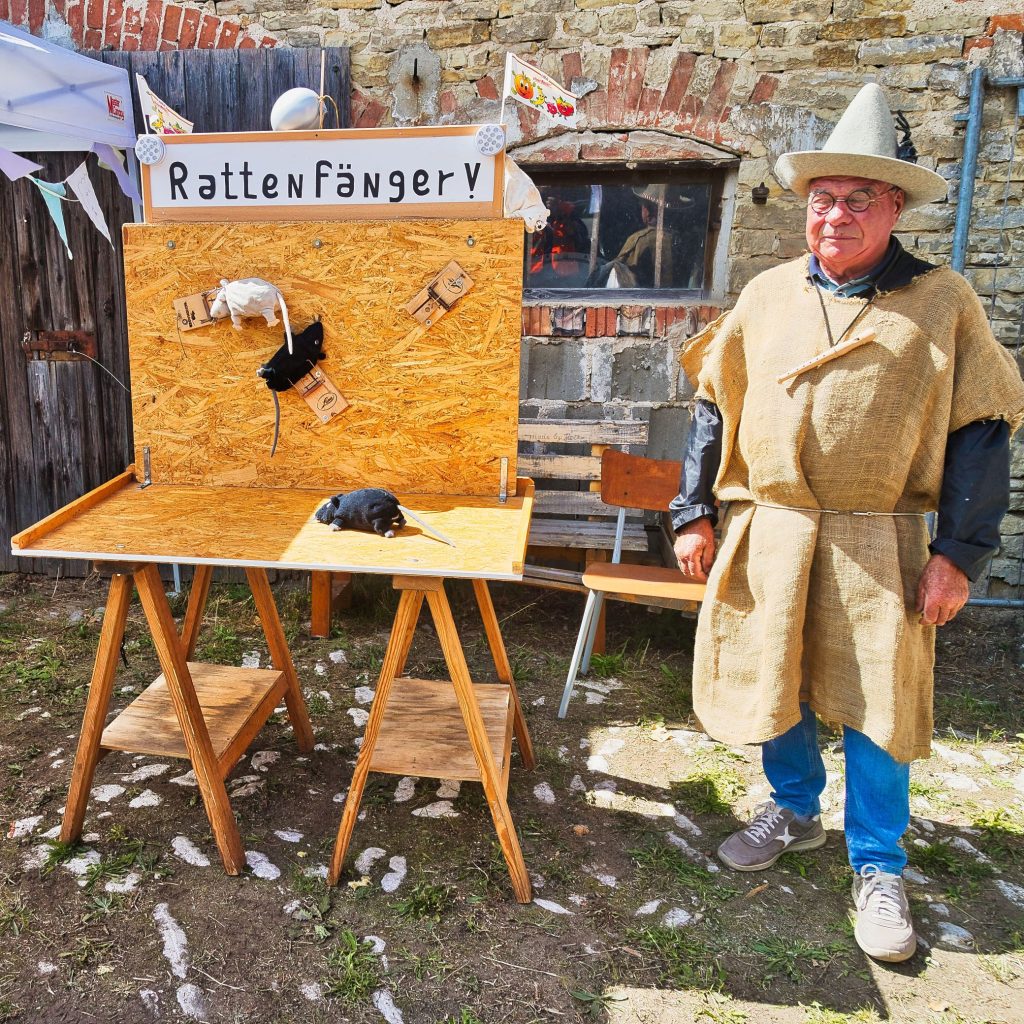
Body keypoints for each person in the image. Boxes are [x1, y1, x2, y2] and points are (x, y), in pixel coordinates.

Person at [670, 83, 1024, 964]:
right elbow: (713, 404)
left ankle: (878, 861)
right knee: (776, 680)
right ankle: (794, 810)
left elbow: (983, 430)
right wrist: (693, 512)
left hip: (880, 537)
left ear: (894, 207)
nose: (835, 215)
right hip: (773, 526)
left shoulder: (942, 303)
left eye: (858, 200)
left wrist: (958, 555)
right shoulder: (767, 295)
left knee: (878, 704)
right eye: (823, 198)